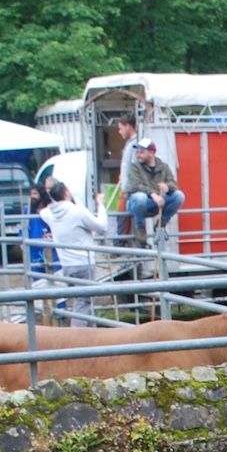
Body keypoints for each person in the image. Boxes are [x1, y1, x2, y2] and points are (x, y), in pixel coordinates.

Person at [38, 179, 108, 326]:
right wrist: (101, 205)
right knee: (83, 305)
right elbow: (101, 226)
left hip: (67, 265)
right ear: (65, 193)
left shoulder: (49, 214)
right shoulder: (77, 211)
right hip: (84, 262)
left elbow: (43, 212)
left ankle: (90, 338)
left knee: (81, 302)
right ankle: (78, 340)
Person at [122, 139, 184, 246]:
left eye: (141, 152)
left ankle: (161, 225)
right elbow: (133, 186)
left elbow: (173, 184)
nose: (138, 155)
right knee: (140, 197)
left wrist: (167, 187)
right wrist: (153, 194)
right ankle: (140, 230)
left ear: (151, 152)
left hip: (155, 203)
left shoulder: (163, 167)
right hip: (136, 204)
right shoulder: (134, 167)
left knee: (179, 196)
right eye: (137, 152)